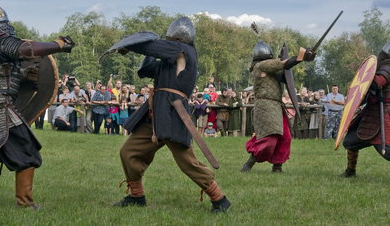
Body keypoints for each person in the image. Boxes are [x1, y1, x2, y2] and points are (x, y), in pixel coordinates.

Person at [0, 0, 75, 209]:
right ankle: (25, 203)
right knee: (27, 151)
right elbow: (28, 49)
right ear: (2, 26)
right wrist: (58, 45)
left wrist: (24, 75)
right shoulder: (1, 42)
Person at [112, 17, 230, 213]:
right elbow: (146, 69)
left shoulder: (184, 51)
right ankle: (136, 196)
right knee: (129, 152)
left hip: (173, 115)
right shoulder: (169, 60)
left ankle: (219, 199)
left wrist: (132, 45)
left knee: (187, 162)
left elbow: (152, 48)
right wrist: (144, 48)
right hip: (155, 114)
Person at [241, 40, 316, 173]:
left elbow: (286, 74)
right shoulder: (260, 66)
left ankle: (277, 166)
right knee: (269, 139)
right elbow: (283, 63)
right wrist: (301, 57)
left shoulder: (272, 71)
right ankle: (250, 161)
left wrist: (305, 58)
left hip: (277, 105)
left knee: (285, 137)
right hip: (265, 105)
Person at [341, 42, 390, 177]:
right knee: (350, 141)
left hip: (383, 114)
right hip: (371, 113)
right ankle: (350, 171)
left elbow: (378, 82)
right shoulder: (383, 65)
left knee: (387, 152)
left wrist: (369, 79)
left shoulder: (388, 65)